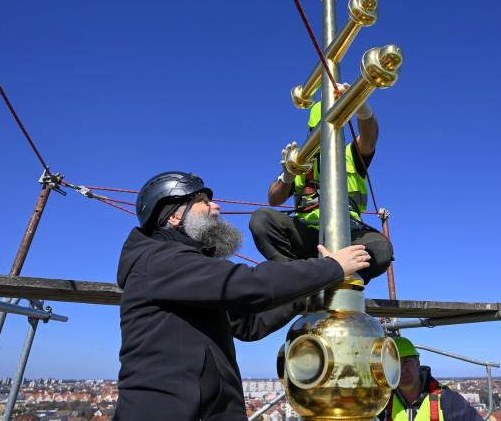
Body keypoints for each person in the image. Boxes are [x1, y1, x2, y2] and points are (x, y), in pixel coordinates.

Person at [114, 171, 372, 421]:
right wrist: (331, 267)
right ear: (173, 216)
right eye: (203, 202)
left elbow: (248, 325)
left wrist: (307, 295)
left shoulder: (184, 274)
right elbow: (251, 283)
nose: (216, 207)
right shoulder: (159, 260)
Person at [249, 92, 393, 284]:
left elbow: (369, 138)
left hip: (351, 234)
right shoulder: (300, 163)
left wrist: (362, 109)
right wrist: (287, 176)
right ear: (311, 132)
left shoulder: (350, 155)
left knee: (381, 249)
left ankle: (336, 280)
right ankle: (297, 281)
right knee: (262, 219)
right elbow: (274, 199)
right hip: (308, 235)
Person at [379, 337, 484, 421]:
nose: (402, 370)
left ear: (418, 364)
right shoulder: (383, 404)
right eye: (394, 364)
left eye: (406, 362)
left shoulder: (448, 401)